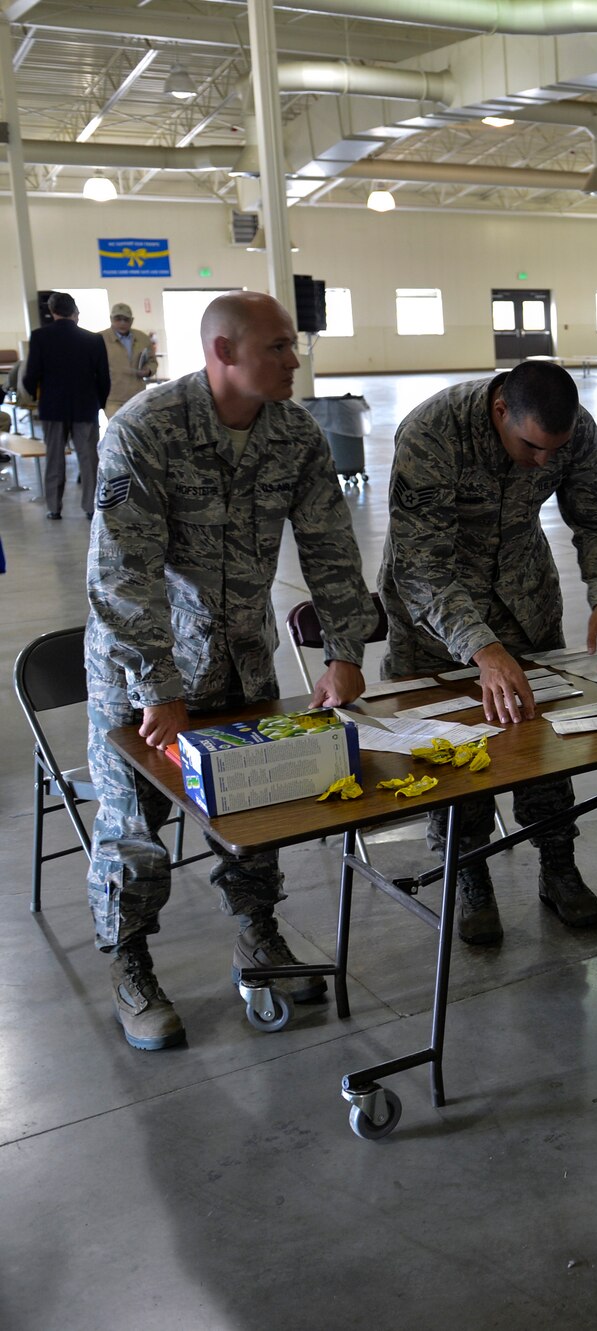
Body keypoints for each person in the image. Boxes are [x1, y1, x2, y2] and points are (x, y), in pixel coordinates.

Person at [83, 291, 374, 1051]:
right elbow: (121, 576)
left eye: (292, 345)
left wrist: (345, 650)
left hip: (241, 658)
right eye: (277, 347)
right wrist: (159, 687)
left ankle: (258, 935)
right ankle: (132, 962)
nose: (293, 359)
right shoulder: (147, 430)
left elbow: (332, 549)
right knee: (135, 830)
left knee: (252, 812)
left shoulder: (296, 435)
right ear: (222, 353)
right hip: (142, 674)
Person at [378, 359, 597, 945]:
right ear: (500, 412)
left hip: (525, 595)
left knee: (541, 739)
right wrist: (481, 648)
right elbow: (421, 565)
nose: (545, 461)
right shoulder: (431, 433)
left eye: (555, 449)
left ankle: (558, 862)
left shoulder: (572, 429)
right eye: (532, 447)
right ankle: (467, 873)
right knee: (449, 748)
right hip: (434, 617)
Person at [21, 290, 111, 520]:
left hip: (52, 407)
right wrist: (99, 403)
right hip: (85, 406)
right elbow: (103, 377)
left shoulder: (40, 337)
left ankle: (54, 507)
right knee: (89, 459)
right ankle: (91, 507)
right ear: (74, 311)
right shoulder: (93, 339)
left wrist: (33, 396)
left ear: (52, 312)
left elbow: (32, 373)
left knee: (54, 458)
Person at [101, 301, 160, 420]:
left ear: (132, 320)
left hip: (137, 396)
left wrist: (148, 371)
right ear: (111, 319)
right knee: (117, 431)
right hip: (112, 399)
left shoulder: (142, 338)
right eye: (118, 319)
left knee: (137, 432)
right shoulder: (100, 339)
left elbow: (152, 361)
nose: (122, 323)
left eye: (126, 319)